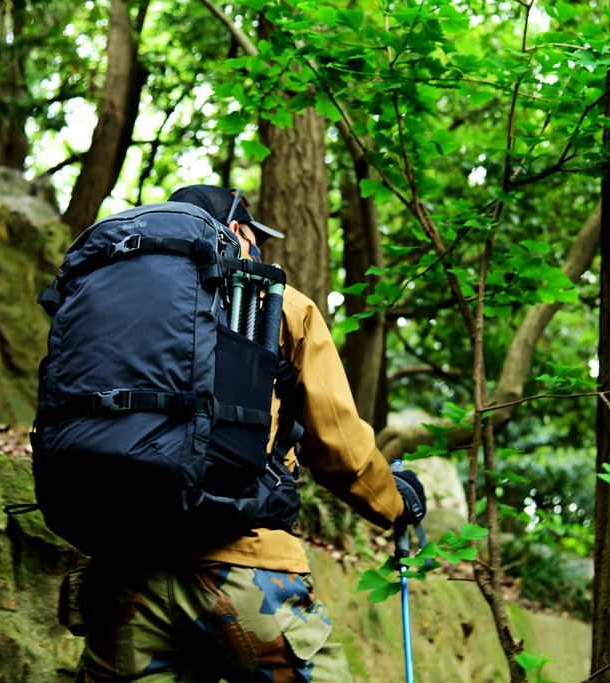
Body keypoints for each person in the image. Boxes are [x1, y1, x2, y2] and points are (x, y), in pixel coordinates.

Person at [73, 185, 426, 682]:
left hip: (122, 576)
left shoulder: (105, 309)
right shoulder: (277, 305)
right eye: (256, 236)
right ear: (236, 230)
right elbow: (339, 448)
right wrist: (394, 502)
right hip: (244, 569)